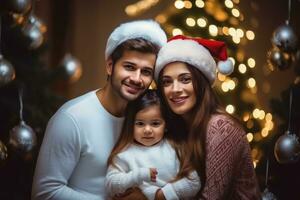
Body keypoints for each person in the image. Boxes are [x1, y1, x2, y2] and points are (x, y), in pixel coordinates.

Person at [31, 20, 167, 200]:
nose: (136, 78)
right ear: (110, 66)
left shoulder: (146, 118)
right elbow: (44, 193)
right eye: (129, 67)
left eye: (146, 72)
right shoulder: (72, 118)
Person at [154, 35, 261, 199]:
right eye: (167, 82)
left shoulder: (221, 128)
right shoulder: (176, 126)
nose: (175, 89)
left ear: (201, 82)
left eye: (185, 79)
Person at [105, 89, 201, 200]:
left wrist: (157, 195)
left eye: (155, 123)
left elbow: (194, 182)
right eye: (140, 123)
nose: (147, 130)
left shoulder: (176, 148)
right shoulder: (124, 154)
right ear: (131, 125)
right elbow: (110, 185)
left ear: (166, 125)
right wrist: (138, 176)